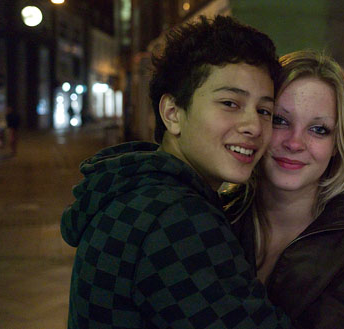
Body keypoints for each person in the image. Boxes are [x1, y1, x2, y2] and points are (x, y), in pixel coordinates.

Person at [60, 16, 291, 329]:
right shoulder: (177, 218)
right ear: (172, 113)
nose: (253, 126)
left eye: (264, 110)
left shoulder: (134, 190)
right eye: (230, 103)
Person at [224, 50, 344, 329]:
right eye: (280, 120)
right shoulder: (216, 212)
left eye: (318, 129)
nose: (295, 143)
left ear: (337, 145)